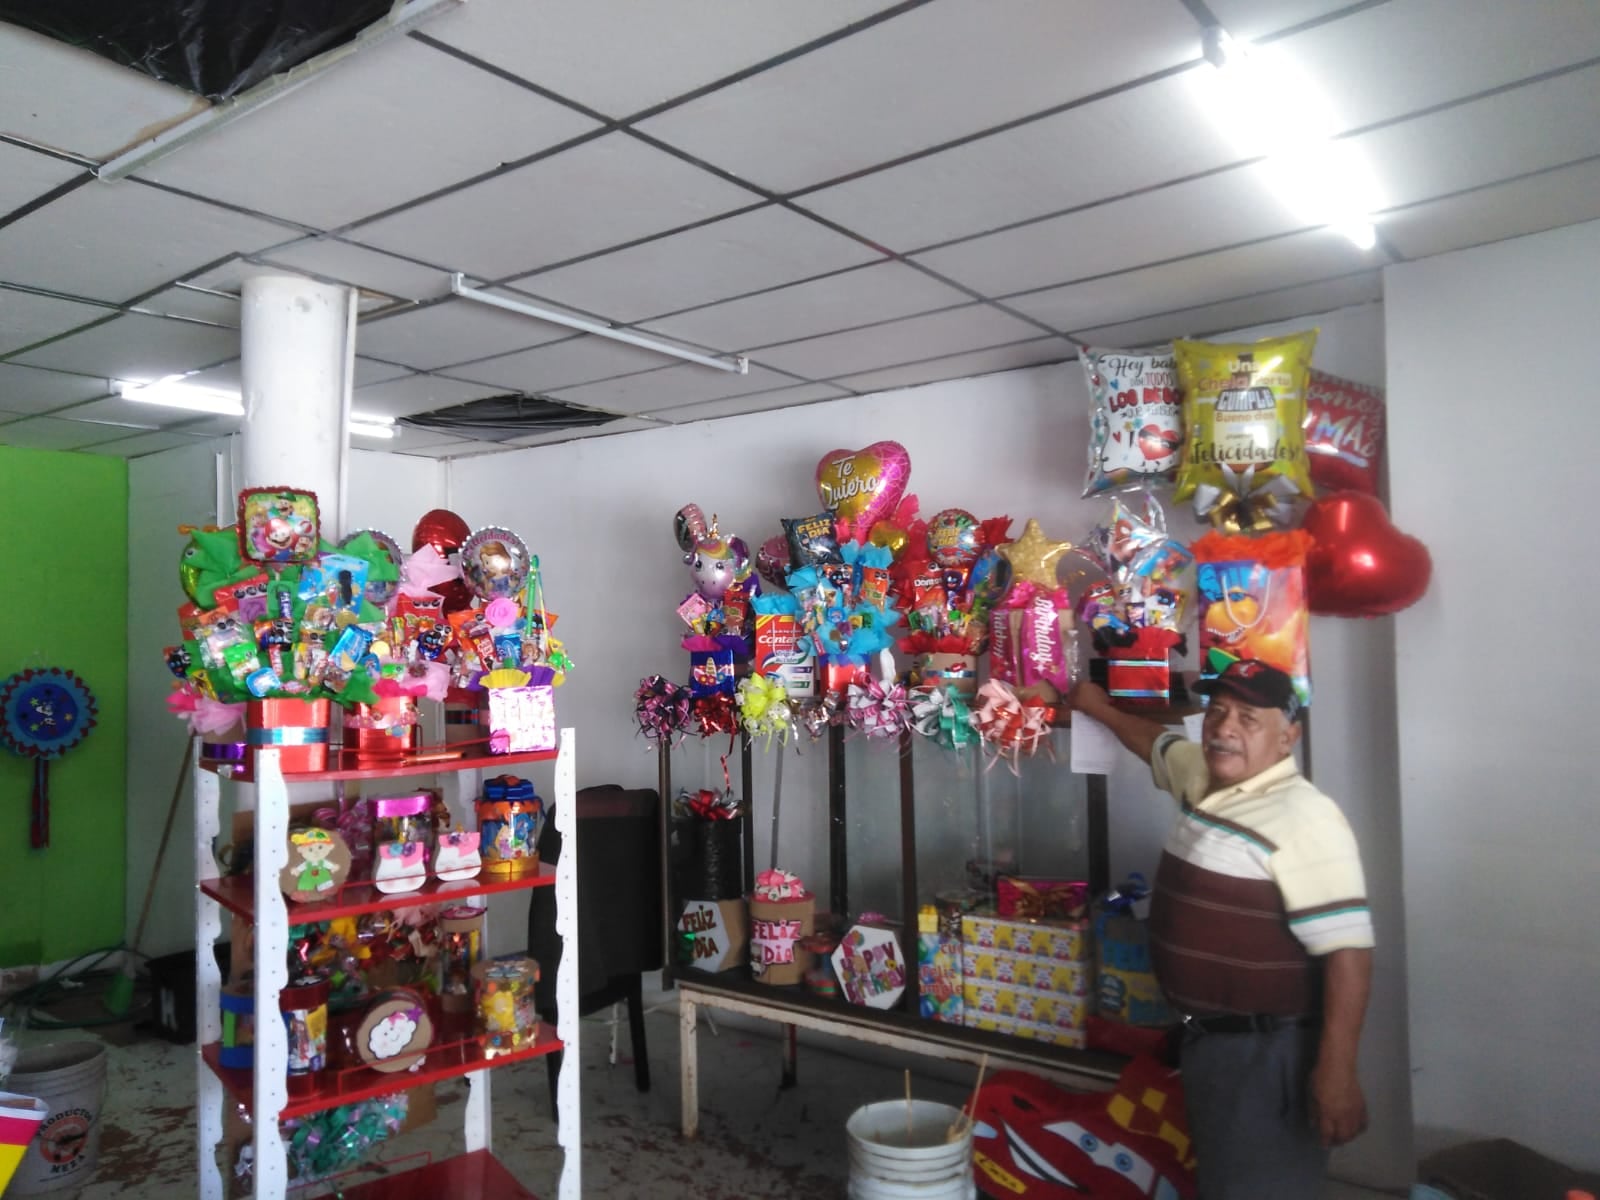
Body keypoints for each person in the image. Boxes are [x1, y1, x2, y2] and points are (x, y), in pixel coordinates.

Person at [1071, 659, 1374, 1199]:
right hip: (1213, 1043)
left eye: (1248, 718)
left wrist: (1338, 1073)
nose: (1225, 727)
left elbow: (1348, 951)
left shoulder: (1305, 817)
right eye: (1218, 711)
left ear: (1289, 736)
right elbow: (1156, 745)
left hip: (1271, 1052)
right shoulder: (1208, 779)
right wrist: (1096, 708)